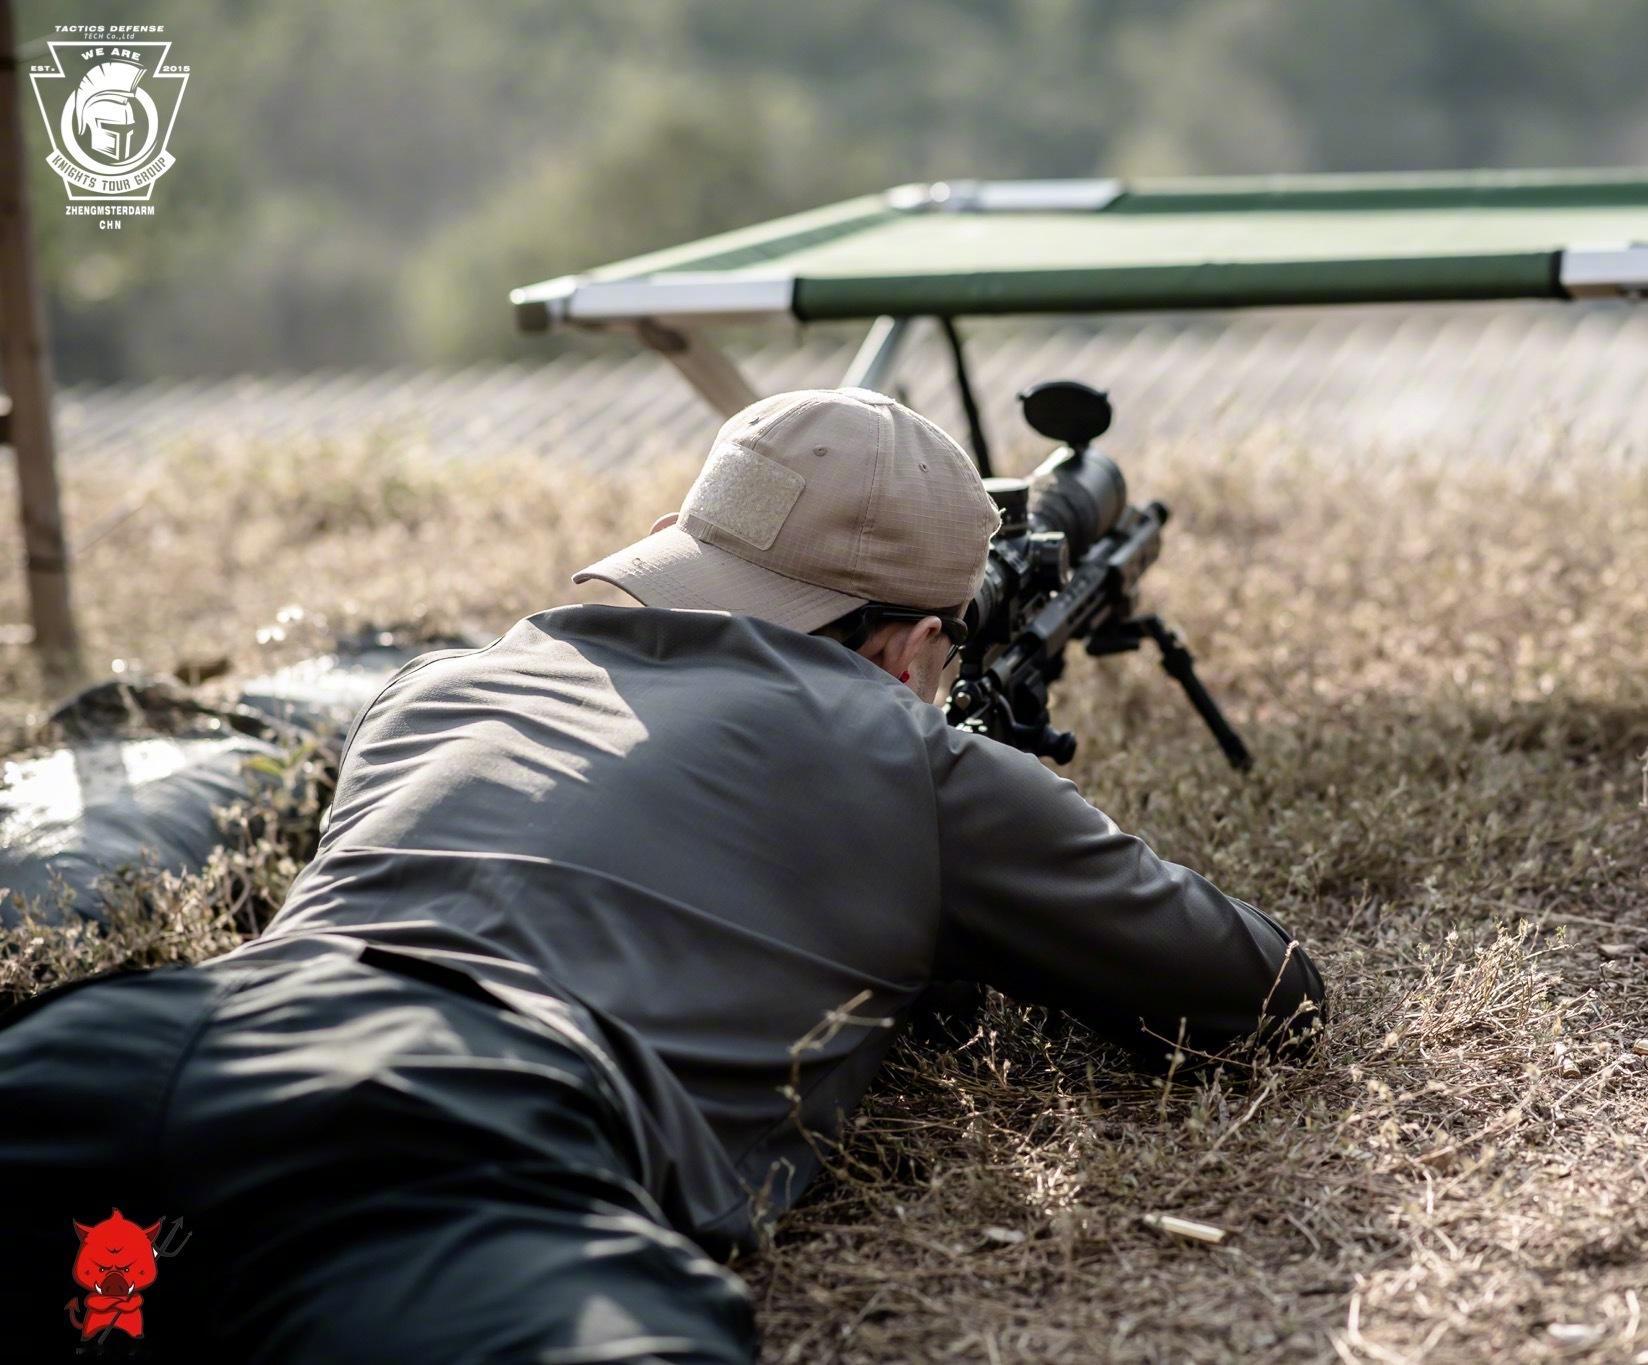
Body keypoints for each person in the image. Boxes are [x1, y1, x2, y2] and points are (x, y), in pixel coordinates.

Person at [0, 387, 1324, 1363]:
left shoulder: (448, 682)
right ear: (913, 646)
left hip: (132, 1046)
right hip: (453, 1117)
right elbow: (1258, 992)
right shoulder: (907, 752)